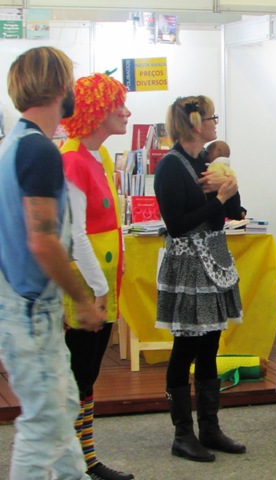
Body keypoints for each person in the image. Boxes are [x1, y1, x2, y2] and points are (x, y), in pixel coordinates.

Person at [0, 46, 104, 479]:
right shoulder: (39, 151)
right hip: (30, 309)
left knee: (60, 412)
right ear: (59, 86)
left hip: (23, 303)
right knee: (44, 425)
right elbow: (43, 241)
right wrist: (82, 299)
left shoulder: (15, 145)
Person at [154, 95, 246, 463]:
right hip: (189, 265)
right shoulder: (171, 167)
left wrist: (230, 191)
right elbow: (176, 225)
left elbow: (230, 214)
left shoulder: (204, 162)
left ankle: (210, 427)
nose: (214, 123)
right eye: (211, 117)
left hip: (213, 258)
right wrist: (217, 199)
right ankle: (183, 434)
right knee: (186, 347)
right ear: (195, 123)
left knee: (211, 344)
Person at [59, 73, 134, 480]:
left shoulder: (98, 157)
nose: (126, 111)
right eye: (118, 105)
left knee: (86, 379)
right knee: (76, 378)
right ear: (97, 110)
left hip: (102, 288)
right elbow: (75, 235)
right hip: (87, 290)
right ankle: (71, 463)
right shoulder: (71, 159)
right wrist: (100, 290)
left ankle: (84, 459)